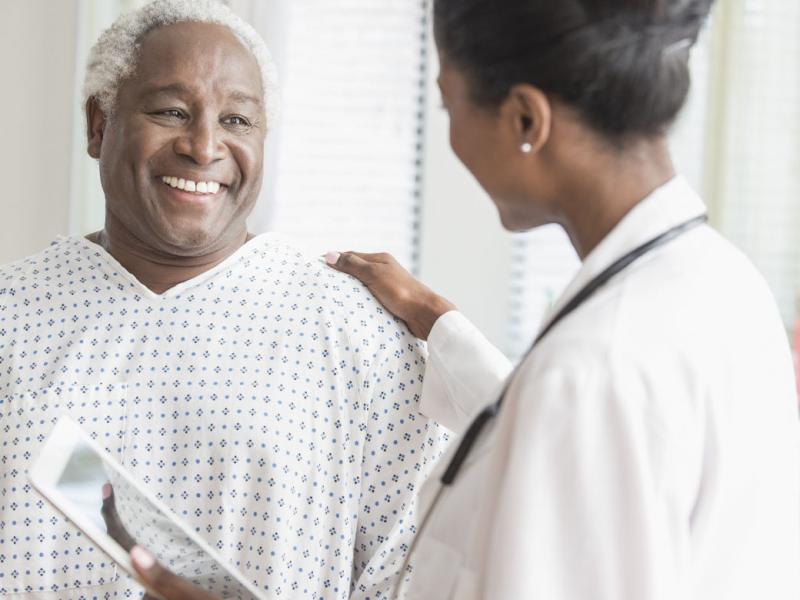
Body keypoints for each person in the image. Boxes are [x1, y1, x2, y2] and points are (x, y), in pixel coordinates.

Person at [133, 0, 800, 598]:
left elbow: (577, 414)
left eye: (448, 105)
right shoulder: (723, 286)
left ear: (524, 119)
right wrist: (437, 323)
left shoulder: (594, 369)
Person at [0, 1, 449, 598]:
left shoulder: (352, 329)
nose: (204, 145)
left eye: (237, 120)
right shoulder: (11, 316)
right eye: (171, 111)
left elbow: (420, 567)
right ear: (98, 125)